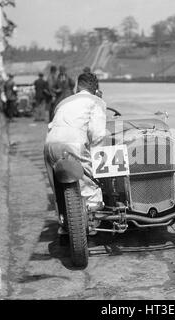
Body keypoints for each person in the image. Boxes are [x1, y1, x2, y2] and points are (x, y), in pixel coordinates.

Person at [44, 72, 107, 233]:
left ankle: (64, 221)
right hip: (73, 144)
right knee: (90, 182)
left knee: (59, 187)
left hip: (50, 144)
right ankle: (91, 224)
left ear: (77, 86)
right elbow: (98, 135)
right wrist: (97, 159)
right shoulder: (96, 101)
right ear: (95, 88)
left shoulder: (64, 101)